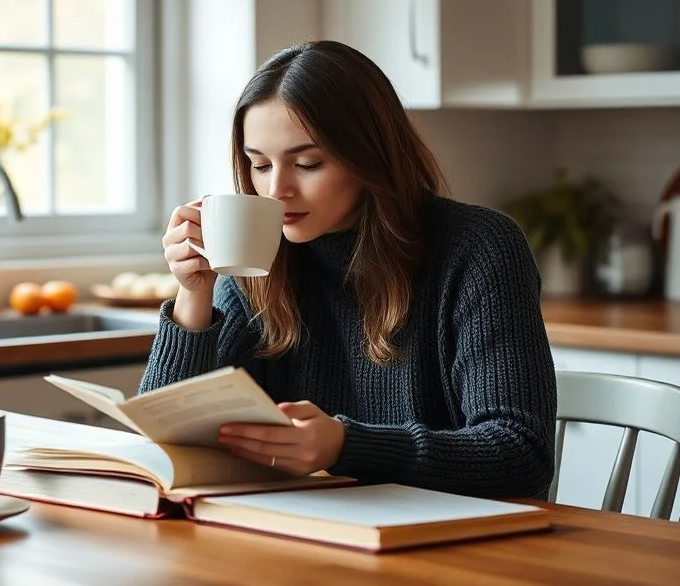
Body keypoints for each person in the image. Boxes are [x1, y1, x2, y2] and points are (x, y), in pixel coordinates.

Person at [139, 40, 557, 499]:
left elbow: (522, 454)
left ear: (369, 156)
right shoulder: (256, 258)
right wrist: (193, 294)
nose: (275, 189)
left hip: (446, 547)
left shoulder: (479, 247)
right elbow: (168, 446)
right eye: (258, 164)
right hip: (310, 534)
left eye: (307, 163)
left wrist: (345, 445)